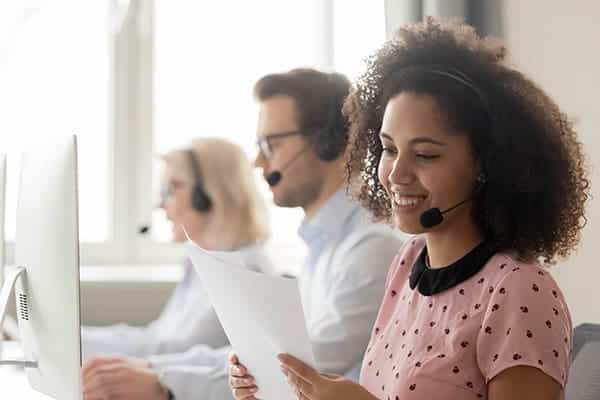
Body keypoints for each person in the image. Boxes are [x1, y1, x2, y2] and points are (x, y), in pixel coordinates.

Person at [229, 18, 591, 400]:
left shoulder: (519, 291)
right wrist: (271, 382)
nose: (397, 173)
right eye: (388, 149)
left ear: (488, 165)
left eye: (424, 154)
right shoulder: (407, 264)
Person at [129, 68, 404, 400]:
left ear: (326, 143)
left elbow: (296, 366)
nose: (258, 162)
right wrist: (156, 372)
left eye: (270, 144)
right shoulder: (323, 248)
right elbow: (262, 355)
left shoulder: (370, 249)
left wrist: (165, 382)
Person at [82, 137, 273, 400]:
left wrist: (72, 343)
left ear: (208, 194)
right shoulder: (201, 263)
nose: (162, 205)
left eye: (173, 189)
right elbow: (155, 336)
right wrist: (72, 338)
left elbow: (171, 348)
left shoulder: (245, 270)